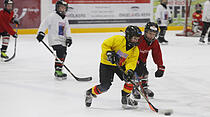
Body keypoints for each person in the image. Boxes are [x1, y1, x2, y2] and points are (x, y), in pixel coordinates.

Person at [85, 25, 142, 108]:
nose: (136, 41)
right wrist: (108, 52)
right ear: (128, 36)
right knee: (105, 86)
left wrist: (129, 70)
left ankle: (126, 97)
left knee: (131, 78)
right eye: (134, 38)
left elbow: (131, 62)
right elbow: (105, 45)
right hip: (106, 64)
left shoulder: (135, 50)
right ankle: (90, 93)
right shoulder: (117, 39)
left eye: (138, 39)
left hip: (120, 65)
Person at [36, 0, 72, 80]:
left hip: (62, 39)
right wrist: (41, 32)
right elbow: (44, 23)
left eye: (64, 8)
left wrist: (69, 38)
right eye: (61, 7)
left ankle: (59, 68)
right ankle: (58, 70)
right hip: (54, 39)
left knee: (63, 54)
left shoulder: (65, 18)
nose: (62, 9)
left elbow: (67, 29)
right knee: (60, 52)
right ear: (57, 8)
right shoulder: (52, 16)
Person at [132, 22, 165, 99]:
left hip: (142, 61)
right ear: (145, 32)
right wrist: (134, 59)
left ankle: (144, 87)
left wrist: (160, 66)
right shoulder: (138, 39)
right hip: (132, 60)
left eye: (154, 34)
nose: (151, 36)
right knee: (137, 74)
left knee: (145, 73)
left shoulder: (154, 42)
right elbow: (130, 49)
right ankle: (134, 87)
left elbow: (157, 54)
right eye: (150, 33)